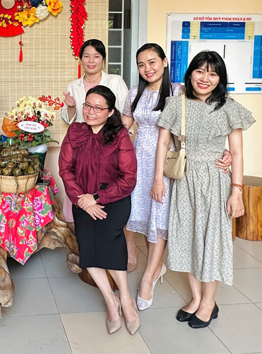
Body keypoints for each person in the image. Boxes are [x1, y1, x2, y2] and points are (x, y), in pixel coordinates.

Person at [123, 44, 232, 310]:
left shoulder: (180, 91)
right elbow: (123, 125)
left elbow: (206, 118)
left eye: (152, 62)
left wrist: (224, 149)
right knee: (142, 214)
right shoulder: (134, 93)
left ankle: (149, 276)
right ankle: (151, 264)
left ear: (164, 61)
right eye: (141, 64)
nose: (147, 68)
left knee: (160, 217)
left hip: (172, 164)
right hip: (139, 160)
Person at [155, 51, 254, 328]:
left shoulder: (228, 107)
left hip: (215, 181)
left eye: (212, 73)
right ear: (190, 74)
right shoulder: (176, 104)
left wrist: (237, 191)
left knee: (211, 240)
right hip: (184, 181)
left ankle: (209, 302)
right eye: (200, 71)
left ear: (220, 79)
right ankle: (196, 297)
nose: (205, 78)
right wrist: (158, 179)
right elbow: (163, 143)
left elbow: (237, 152)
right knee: (187, 237)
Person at [58, 85, 139, 335]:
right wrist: (81, 198)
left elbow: (129, 178)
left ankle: (125, 298)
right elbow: (65, 169)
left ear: (110, 111)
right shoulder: (75, 131)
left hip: (113, 199)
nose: (90, 112)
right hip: (82, 199)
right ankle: (111, 301)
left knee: (110, 242)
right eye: (87, 106)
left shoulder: (120, 135)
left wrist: (96, 198)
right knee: (88, 247)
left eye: (98, 108)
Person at [61, 39, 132, 266]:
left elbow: (126, 113)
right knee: (82, 203)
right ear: (80, 59)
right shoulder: (74, 85)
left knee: (112, 208)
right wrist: (71, 106)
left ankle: (119, 254)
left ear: (103, 59)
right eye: (86, 56)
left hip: (110, 144)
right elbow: (71, 120)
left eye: (96, 56)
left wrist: (115, 138)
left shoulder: (115, 81)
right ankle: (84, 254)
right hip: (83, 148)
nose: (91, 60)